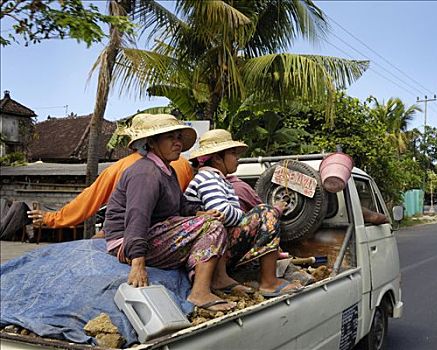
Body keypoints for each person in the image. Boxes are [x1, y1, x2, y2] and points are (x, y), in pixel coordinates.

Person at [102, 114, 235, 312]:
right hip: (127, 241)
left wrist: (201, 214)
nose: (177, 142)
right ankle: (199, 292)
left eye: (179, 137)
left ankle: (217, 279)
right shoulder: (146, 173)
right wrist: (138, 263)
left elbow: (181, 206)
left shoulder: (167, 171)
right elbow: (137, 216)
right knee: (211, 228)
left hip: (155, 232)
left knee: (212, 222)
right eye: (170, 137)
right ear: (153, 143)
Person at [184, 129, 302, 298]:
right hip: (208, 251)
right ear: (217, 158)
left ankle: (224, 277)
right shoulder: (208, 178)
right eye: (233, 153)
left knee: (260, 214)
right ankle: (269, 282)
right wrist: (244, 216)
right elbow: (221, 212)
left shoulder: (218, 178)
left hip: (217, 250)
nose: (237, 158)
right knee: (266, 212)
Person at [26, 141, 194, 230]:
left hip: (139, 233)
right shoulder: (182, 165)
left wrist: (51, 218)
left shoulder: (120, 168)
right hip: (168, 228)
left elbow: (87, 201)